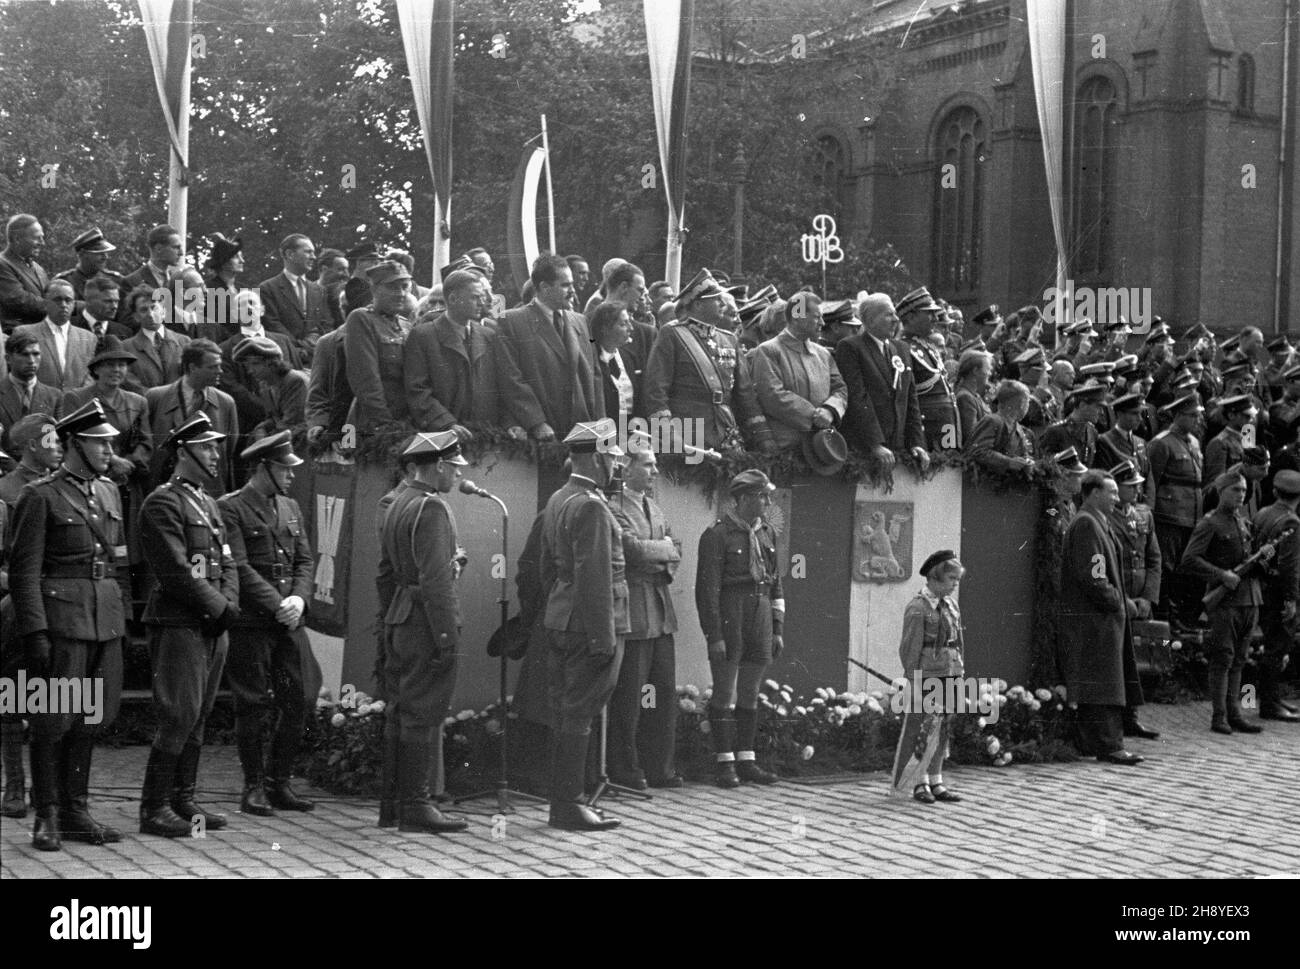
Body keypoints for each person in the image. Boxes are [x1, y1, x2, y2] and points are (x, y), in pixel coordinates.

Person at [7, 401, 129, 850]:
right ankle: (48, 815)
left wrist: (121, 619)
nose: (107, 449)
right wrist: (35, 631)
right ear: (75, 442)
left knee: (89, 720)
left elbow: (119, 562)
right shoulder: (40, 495)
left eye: (110, 442)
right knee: (52, 721)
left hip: (104, 622)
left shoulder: (111, 493)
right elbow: (24, 572)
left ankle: (77, 808)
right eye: (99, 441)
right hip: (62, 624)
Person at [137, 413, 239, 837]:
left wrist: (228, 604)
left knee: (199, 714)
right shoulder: (163, 502)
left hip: (211, 623)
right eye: (208, 447)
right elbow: (177, 570)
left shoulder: (207, 501)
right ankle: (154, 807)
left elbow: (227, 560)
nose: (216, 454)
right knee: (179, 713)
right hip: (179, 621)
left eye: (216, 446)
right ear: (184, 451)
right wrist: (220, 607)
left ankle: (184, 798)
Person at [374, 430, 472, 833]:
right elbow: (435, 583)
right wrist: (447, 638)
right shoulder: (432, 508)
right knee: (420, 714)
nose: (456, 475)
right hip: (424, 624)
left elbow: (385, 573)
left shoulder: (399, 502)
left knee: (400, 712)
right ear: (439, 466)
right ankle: (415, 804)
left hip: (400, 617)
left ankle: (392, 806)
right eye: (454, 467)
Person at [218, 432, 316, 815]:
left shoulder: (290, 506)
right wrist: (279, 604)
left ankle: (280, 782)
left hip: (287, 621)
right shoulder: (232, 508)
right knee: (253, 704)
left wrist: (299, 598)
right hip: (252, 623)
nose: (291, 475)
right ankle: (253, 786)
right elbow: (237, 566)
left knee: (298, 701)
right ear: (263, 468)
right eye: (284, 468)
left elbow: (305, 562)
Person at [539, 419, 630, 831]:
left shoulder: (560, 497)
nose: (616, 464)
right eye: (611, 456)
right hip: (589, 622)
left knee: (565, 710)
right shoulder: (592, 505)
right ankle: (569, 803)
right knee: (581, 711)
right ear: (594, 458)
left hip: (562, 616)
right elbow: (594, 576)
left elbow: (547, 568)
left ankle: (564, 801)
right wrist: (602, 636)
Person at [696, 469, 784, 788]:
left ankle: (746, 759)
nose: (768, 501)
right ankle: (724, 763)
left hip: (759, 614)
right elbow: (707, 591)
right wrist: (714, 635)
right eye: (763, 496)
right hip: (731, 614)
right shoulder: (717, 535)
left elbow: (776, 584)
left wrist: (776, 627)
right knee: (725, 690)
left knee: (750, 690)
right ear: (745, 498)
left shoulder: (767, 534)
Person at [606, 443, 683, 790]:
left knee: (662, 692)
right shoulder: (614, 506)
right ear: (627, 468)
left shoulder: (655, 507)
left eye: (654, 465)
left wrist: (663, 549)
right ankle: (626, 768)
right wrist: (662, 548)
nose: (654, 472)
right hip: (635, 611)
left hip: (661, 610)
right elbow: (632, 552)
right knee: (630, 694)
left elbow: (677, 548)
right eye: (648, 465)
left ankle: (659, 768)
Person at [1059, 469, 1146, 764]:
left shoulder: (1096, 522)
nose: (1117, 497)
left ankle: (1095, 742)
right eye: (1111, 492)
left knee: (1104, 680)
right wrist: (1117, 603)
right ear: (1094, 493)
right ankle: (1109, 744)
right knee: (1104, 682)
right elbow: (1095, 576)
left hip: (1101, 616)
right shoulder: (1087, 524)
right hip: (1096, 618)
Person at [643, 268, 776, 455]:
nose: (723, 303)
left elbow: (745, 395)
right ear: (697, 305)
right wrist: (667, 434)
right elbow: (656, 390)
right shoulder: (671, 334)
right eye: (716, 299)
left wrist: (763, 436)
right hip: (687, 433)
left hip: (726, 432)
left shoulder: (729, 339)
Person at [58, 338, 152, 596]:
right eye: (110, 364)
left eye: (122, 364)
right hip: (90, 482)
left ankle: (128, 608)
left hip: (126, 484)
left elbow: (146, 442)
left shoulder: (137, 401)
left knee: (129, 547)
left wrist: (129, 463)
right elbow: (71, 440)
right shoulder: (76, 399)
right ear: (96, 368)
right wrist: (112, 461)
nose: (117, 370)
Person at [1182, 469, 1270, 735]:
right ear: (1221, 492)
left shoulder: (1244, 522)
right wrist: (1221, 575)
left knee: (1241, 659)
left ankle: (1236, 712)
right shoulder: (1209, 523)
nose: (1241, 495)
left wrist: (1263, 558)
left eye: (1244, 491)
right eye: (1235, 490)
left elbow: (1249, 559)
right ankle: (1219, 715)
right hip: (1225, 601)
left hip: (1249, 598)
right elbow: (1190, 559)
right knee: (1223, 658)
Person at [493, 253, 601, 442]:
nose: (573, 291)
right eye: (565, 285)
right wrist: (536, 422)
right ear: (544, 287)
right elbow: (511, 379)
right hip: (544, 435)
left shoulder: (581, 322)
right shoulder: (511, 322)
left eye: (572, 284)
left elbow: (595, 377)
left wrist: (600, 425)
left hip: (583, 432)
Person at [892, 550, 966, 804]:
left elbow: (958, 642)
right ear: (935, 578)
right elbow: (909, 648)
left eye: (957, 579)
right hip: (926, 677)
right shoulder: (918, 608)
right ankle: (917, 781)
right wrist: (912, 679)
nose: (955, 583)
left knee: (943, 727)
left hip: (950, 673)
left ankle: (936, 779)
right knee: (922, 728)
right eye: (951, 578)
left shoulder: (951, 605)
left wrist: (959, 672)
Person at [834, 293, 929, 473]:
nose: (896, 320)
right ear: (870, 320)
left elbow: (911, 400)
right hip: (866, 450)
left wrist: (917, 443)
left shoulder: (901, 349)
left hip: (898, 449)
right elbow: (857, 397)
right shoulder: (851, 347)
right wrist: (875, 444)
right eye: (888, 314)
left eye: (895, 314)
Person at [404, 268, 501, 435]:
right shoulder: (423, 336)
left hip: (487, 436)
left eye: (482, 297)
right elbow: (417, 390)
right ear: (453, 299)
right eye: (474, 297)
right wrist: (446, 423)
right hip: (442, 437)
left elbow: (503, 386)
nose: (481, 303)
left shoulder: (489, 336)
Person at [749, 291, 848, 452]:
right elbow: (771, 395)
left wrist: (830, 410)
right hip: (787, 447)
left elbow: (840, 389)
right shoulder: (768, 351)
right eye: (817, 317)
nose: (822, 323)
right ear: (797, 317)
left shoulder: (823, 354)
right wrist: (815, 417)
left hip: (823, 448)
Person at [1106, 460, 1161, 740]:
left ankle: (1133, 717)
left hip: (1140, 598)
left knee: (1138, 662)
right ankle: (1117, 719)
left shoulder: (1143, 515)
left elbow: (1153, 558)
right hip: (1120, 596)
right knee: (1119, 660)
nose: (1136, 491)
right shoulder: (1107, 516)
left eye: (1138, 486)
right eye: (1130, 487)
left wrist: (1149, 596)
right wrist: (1124, 597)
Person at [144, 339, 239, 495]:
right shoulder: (155, 397)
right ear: (192, 367)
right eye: (213, 367)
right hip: (163, 490)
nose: (220, 371)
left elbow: (228, 451)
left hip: (209, 493)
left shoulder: (226, 403)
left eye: (220, 366)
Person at [1147, 394, 1205, 626]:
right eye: (1192, 416)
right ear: (1178, 415)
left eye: (1198, 416)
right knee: (1166, 568)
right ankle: (1162, 615)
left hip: (1191, 516)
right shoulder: (1162, 443)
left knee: (1184, 569)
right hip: (1168, 515)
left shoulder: (1193, 442)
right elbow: (1152, 481)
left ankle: (1178, 616)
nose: (1197, 421)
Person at [1251, 469, 1300, 723]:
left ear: (1275, 492)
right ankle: (1269, 704)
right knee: (1277, 646)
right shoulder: (1292, 521)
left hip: (1264, 587)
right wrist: (1291, 600)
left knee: (1271, 644)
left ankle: (1273, 698)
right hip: (1280, 592)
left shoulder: (1262, 513)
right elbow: (1289, 565)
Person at [344, 260, 414, 434]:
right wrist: (385, 424)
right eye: (393, 288)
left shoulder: (407, 325)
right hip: (374, 425)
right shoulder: (361, 319)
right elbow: (366, 380)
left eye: (405, 287)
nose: (401, 294)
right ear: (374, 289)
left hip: (406, 421)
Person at [14, 280, 97, 394]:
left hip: (76, 405)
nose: (63, 305)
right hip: (38, 403)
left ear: (73, 304)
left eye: (68, 300)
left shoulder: (88, 338)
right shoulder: (25, 332)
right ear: (45, 303)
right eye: (58, 300)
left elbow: (90, 376)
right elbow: (19, 373)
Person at [258, 234, 327, 361]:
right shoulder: (267, 288)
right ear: (290, 254)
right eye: (308, 252)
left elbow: (325, 323)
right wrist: (299, 348)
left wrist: (315, 344)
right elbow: (272, 324)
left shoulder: (318, 290)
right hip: (287, 358)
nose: (314, 257)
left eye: (313, 252)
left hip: (316, 358)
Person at [231, 336, 308, 445]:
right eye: (246, 366)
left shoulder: (294, 381)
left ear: (272, 362)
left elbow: (293, 424)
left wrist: (263, 441)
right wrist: (261, 428)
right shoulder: (265, 385)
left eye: (255, 364)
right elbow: (274, 418)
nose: (250, 371)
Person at [0, 334, 62, 454]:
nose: (32, 361)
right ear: (8, 359)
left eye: (36, 354)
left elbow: (59, 441)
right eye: (24, 354)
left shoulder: (55, 396)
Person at [125, 287, 192, 390]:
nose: (150, 314)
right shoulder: (126, 348)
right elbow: (131, 384)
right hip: (147, 404)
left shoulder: (184, 342)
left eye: (154, 308)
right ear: (136, 317)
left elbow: (192, 376)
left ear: (164, 311)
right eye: (143, 310)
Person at [118, 224, 183, 326]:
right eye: (176, 247)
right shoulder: (132, 281)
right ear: (158, 249)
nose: (181, 253)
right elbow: (126, 321)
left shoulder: (179, 279)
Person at [965, 380, 1036, 472]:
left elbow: (1023, 453)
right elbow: (978, 451)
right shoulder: (992, 421)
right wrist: (1008, 462)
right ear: (1020, 404)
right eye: (1027, 402)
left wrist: (1026, 461)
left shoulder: (1017, 427)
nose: (1027, 406)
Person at [0, 214, 50, 334]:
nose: (42, 243)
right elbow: (18, 300)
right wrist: (56, 306)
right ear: (17, 239)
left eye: (42, 238)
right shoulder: (2, 264)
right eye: (37, 238)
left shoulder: (38, 269)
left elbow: (49, 295)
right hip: (16, 338)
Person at [590, 300, 638, 421]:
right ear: (605, 329)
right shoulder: (591, 360)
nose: (630, 328)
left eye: (629, 323)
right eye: (623, 324)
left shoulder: (628, 357)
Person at [1095, 392, 1150, 479]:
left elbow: (1149, 477)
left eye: (1140, 414)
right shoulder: (1105, 441)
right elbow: (1106, 476)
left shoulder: (1140, 442)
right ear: (1120, 414)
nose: (1140, 418)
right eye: (1134, 413)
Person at [953, 348, 994, 444]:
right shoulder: (965, 398)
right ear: (975, 370)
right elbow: (972, 437)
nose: (990, 373)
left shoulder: (974, 395)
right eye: (987, 369)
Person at [74, 275, 132, 342]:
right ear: (89, 300)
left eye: (116, 301)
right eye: (108, 301)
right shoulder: (68, 327)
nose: (114, 307)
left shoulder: (125, 333)